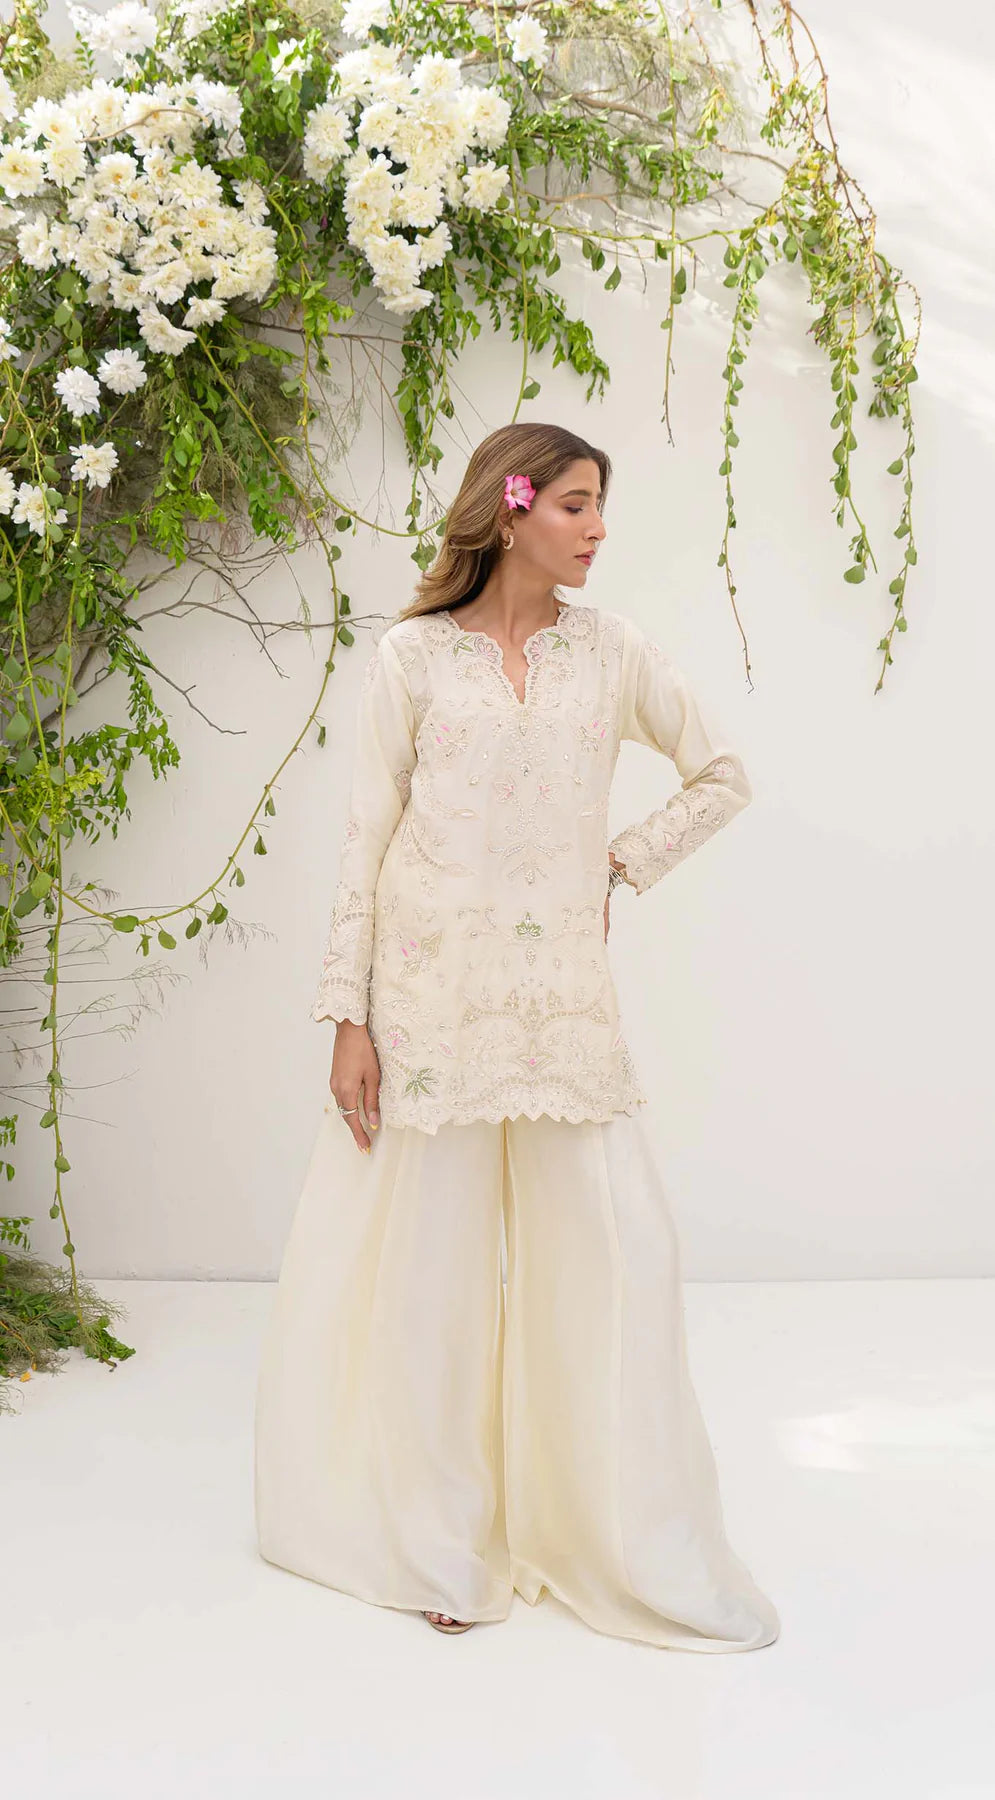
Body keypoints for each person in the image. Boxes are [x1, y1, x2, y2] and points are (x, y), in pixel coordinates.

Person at [254, 421, 781, 1651]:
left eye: (600, 506)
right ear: (512, 506)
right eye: (576, 504)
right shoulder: (413, 658)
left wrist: (618, 863)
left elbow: (720, 774)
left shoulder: (613, 652)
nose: (597, 528)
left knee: (614, 1259)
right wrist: (348, 1017)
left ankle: (611, 1529)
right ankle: (439, 1540)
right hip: (427, 998)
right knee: (430, 1280)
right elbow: (366, 839)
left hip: (560, 1007)